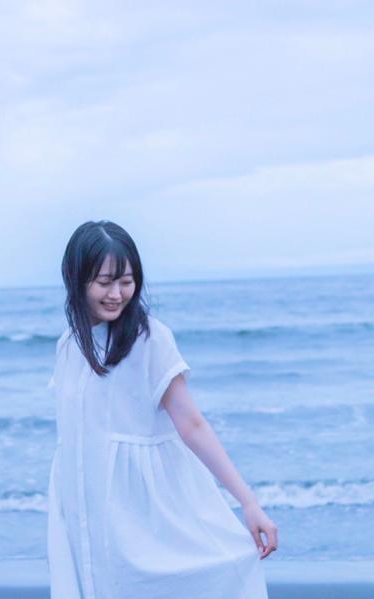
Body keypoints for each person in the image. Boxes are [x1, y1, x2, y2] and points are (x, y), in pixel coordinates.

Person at [46, 220, 278, 598]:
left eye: (126, 281)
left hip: (139, 506)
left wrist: (248, 503)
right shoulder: (69, 345)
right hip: (81, 499)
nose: (117, 294)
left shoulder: (150, 338)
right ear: (76, 279)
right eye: (104, 282)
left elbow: (192, 424)